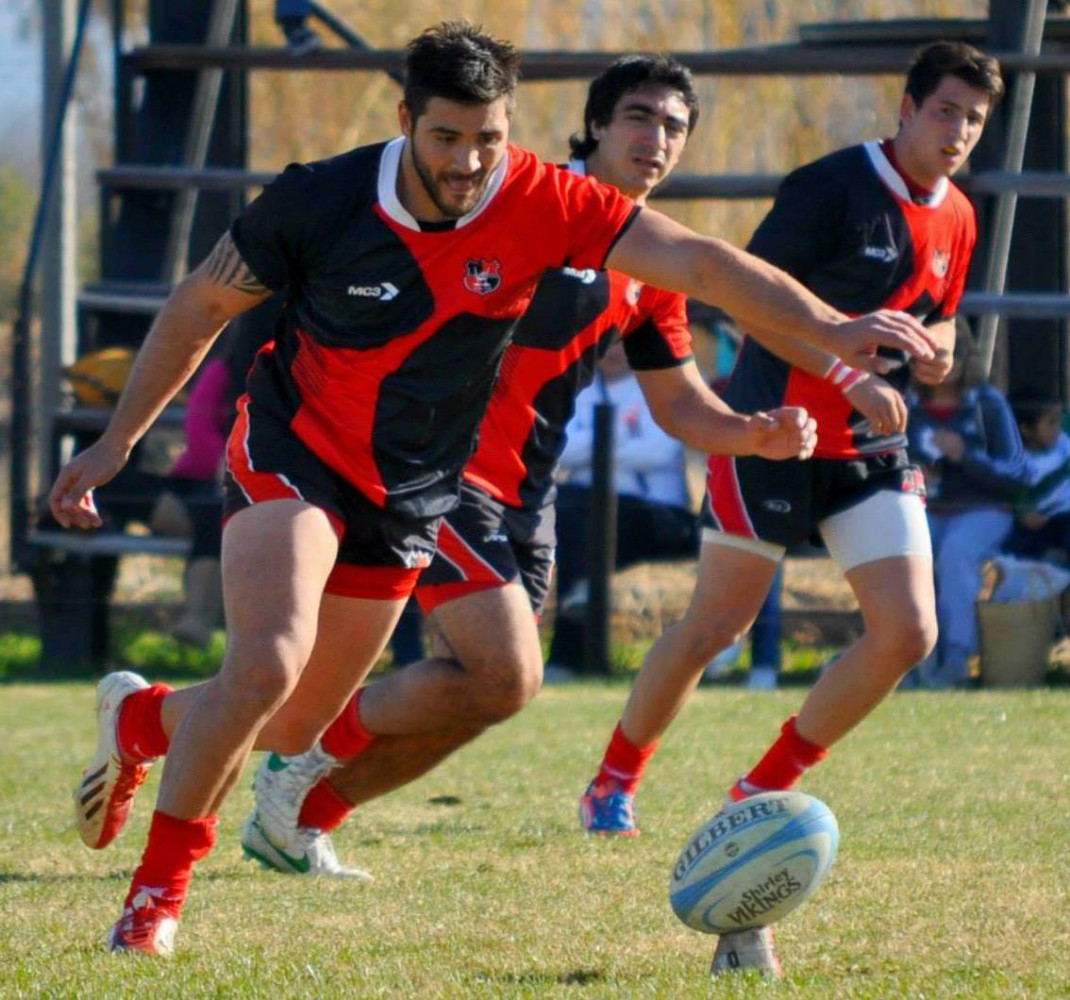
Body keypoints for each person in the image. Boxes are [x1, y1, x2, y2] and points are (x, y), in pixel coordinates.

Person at [52, 22, 937, 957]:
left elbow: (706, 265)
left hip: (413, 488)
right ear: (406, 120)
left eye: (489, 138)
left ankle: (141, 718)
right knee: (270, 664)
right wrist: (117, 443)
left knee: (292, 715)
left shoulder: (549, 203)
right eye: (447, 138)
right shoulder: (321, 198)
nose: (471, 162)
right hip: (296, 448)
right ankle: (154, 904)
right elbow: (199, 303)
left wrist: (832, 331)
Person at [578, 39, 1003, 972]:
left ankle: (759, 787)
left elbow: (941, 324)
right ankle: (613, 780)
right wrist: (846, 372)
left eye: (973, 120)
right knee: (712, 631)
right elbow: (746, 303)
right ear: (905, 108)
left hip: (870, 449)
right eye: (945, 113)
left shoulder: (962, 215)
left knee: (910, 635)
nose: (959, 133)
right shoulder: (830, 187)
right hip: (776, 432)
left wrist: (937, 354)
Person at [548, 341, 699, 672]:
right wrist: (625, 436)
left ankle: (567, 655)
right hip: (584, 513)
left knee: (582, 518)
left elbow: (660, 451)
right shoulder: (580, 390)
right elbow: (557, 449)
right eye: (608, 343)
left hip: (659, 517)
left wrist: (599, 439)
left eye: (623, 343)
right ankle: (575, 636)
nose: (615, 352)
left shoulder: (659, 390)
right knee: (571, 511)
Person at [908, 332, 1029, 686]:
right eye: (924, 359)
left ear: (963, 361)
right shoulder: (905, 404)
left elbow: (1016, 475)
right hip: (924, 508)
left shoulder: (986, 404)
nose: (937, 369)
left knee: (956, 551)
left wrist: (966, 456)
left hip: (982, 509)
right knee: (909, 555)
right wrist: (915, 468)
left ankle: (957, 657)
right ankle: (914, 658)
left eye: (945, 358)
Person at [1005, 397, 1070, 562]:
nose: (1058, 426)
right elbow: (1014, 498)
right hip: (1045, 521)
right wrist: (1023, 515)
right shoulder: (1020, 465)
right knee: (1018, 545)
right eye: (1051, 422)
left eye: (1059, 419)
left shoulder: (1065, 434)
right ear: (1027, 429)